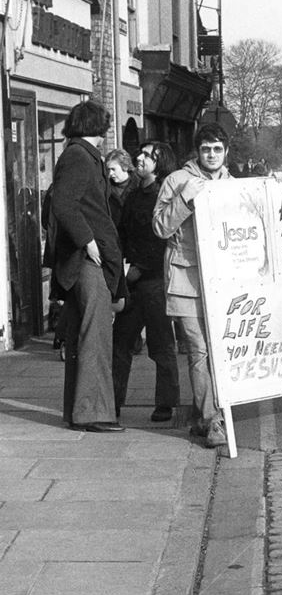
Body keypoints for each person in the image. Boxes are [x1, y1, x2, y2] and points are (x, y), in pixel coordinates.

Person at [152, 123, 232, 449]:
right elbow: (159, 227)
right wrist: (185, 197)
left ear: (226, 152)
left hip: (222, 280)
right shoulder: (176, 181)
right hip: (186, 279)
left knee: (219, 352)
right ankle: (213, 421)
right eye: (205, 149)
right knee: (198, 350)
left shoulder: (233, 184)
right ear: (196, 152)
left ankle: (203, 417)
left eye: (217, 149)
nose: (211, 155)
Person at [49, 100, 125, 433]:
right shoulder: (80, 157)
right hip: (86, 261)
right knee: (96, 336)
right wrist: (89, 242)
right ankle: (93, 414)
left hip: (83, 260)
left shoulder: (78, 155)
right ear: (98, 127)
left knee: (83, 336)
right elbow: (63, 204)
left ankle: (79, 412)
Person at [112, 141, 181, 423]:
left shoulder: (163, 195)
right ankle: (113, 401)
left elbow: (163, 238)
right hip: (132, 280)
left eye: (146, 156)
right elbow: (123, 234)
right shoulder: (133, 193)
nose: (139, 158)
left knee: (161, 344)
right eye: (139, 153)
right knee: (121, 344)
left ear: (159, 162)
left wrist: (137, 269)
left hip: (154, 281)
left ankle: (166, 403)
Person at [105, 148, 137, 226]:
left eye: (113, 169)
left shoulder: (139, 185)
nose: (110, 174)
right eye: (108, 170)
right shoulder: (105, 187)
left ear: (124, 166)